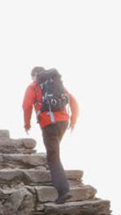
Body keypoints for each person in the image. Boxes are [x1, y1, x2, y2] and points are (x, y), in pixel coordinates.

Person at [22, 66, 79, 204]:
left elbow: (26, 105)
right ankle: (58, 176)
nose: (32, 79)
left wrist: (27, 123)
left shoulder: (34, 86)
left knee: (53, 157)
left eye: (32, 76)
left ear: (35, 74)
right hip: (63, 122)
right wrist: (73, 121)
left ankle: (63, 191)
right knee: (54, 152)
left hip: (49, 124)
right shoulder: (56, 84)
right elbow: (74, 102)